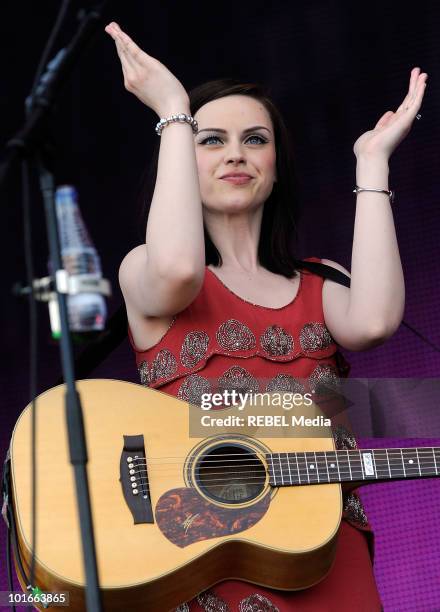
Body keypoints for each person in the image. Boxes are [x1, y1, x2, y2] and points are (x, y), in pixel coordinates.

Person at [105, 21, 427, 612]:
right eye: (210, 140)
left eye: (255, 139)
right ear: (179, 158)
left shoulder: (319, 281)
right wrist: (173, 111)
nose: (235, 153)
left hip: (327, 549)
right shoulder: (146, 269)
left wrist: (372, 164)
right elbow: (180, 269)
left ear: (277, 165)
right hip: (204, 551)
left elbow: (376, 322)